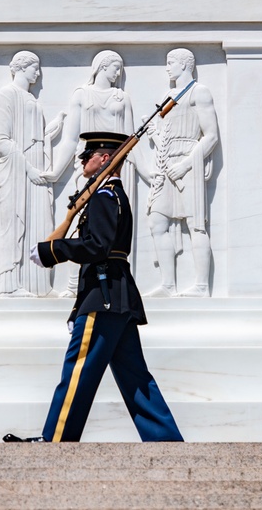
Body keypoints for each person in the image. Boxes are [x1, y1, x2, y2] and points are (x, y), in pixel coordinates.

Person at [17, 131, 184, 442]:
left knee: (78, 370)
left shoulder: (104, 197)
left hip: (104, 296)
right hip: (116, 296)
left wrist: (52, 251)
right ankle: (166, 442)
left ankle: (56, 439)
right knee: (135, 379)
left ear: (105, 159)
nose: (82, 159)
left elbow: (97, 247)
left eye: (88, 155)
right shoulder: (110, 196)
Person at [47, 50, 138, 298]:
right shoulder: (82, 95)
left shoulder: (122, 97)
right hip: (89, 169)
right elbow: (69, 138)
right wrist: (56, 171)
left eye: (120, 68)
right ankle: (74, 286)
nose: (118, 73)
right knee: (81, 225)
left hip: (116, 168)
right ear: (101, 66)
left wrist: (149, 173)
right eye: (114, 67)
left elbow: (131, 141)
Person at [144, 48, 219, 297]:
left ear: (185, 65)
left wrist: (186, 164)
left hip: (187, 163)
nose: (167, 68)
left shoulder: (200, 92)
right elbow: (167, 134)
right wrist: (153, 133)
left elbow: (211, 137)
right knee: (157, 222)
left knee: (195, 225)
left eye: (170, 62)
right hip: (166, 163)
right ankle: (168, 284)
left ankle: (201, 285)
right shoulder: (169, 94)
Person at [0, 50, 62, 297]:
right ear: (21, 68)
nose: (39, 73)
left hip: (35, 169)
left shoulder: (31, 99)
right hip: (17, 171)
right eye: (35, 67)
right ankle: (11, 285)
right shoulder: (7, 94)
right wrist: (27, 168)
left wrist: (49, 134)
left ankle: (42, 285)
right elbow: (1, 140)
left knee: (43, 221)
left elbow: (34, 138)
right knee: (14, 225)